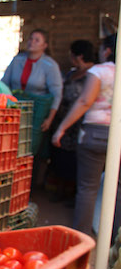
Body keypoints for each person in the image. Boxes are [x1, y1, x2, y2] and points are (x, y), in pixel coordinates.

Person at [51, 34, 120, 235]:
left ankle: (80, 238)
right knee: (117, 189)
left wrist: (62, 128)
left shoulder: (99, 71)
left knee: (87, 189)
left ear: (107, 50)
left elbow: (84, 101)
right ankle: (114, 238)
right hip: (118, 133)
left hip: (94, 133)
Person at [47, 40, 97, 206]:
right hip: (63, 120)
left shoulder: (94, 74)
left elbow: (85, 101)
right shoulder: (71, 73)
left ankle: (73, 195)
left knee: (76, 160)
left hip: (79, 123)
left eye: (71, 53)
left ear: (79, 56)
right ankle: (61, 190)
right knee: (60, 156)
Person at [2, 29, 63, 132]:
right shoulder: (17, 60)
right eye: (31, 39)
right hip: (14, 108)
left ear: (44, 45)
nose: (32, 42)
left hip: (37, 112)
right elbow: (4, 83)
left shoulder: (50, 65)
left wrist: (50, 118)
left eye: (37, 40)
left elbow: (56, 94)